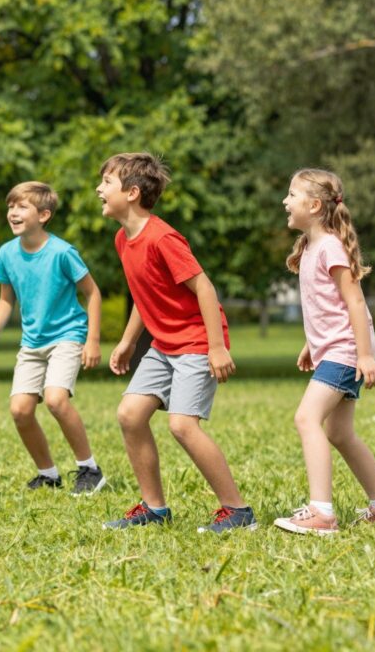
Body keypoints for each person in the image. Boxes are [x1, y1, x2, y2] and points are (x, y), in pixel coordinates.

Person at [96, 153, 256, 533]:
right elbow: (144, 295)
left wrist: (217, 347)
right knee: (130, 415)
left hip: (196, 340)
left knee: (183, 426)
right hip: (164, 344)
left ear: (132, 192)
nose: (99, 190)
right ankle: (154, 508)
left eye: (106, 183)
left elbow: (203, 287)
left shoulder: (162, 238)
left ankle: (237, 511)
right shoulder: (123, 238)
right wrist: (126, 341)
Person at [273, 169, 375, 535]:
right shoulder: (312, 246)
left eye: (291, 194)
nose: (285, 200)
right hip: (335, 347)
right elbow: (327, 307)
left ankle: (322, 513)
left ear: (314, 205)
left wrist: (364, 356)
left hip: (347, 349)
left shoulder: (330, 246)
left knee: (306, 418)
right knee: (340, 434)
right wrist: (312, 345)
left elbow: (355, 301)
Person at [0, 181, 106, 495]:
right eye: (11, 206)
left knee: (55, 400)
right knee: (20, 410)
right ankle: (48, 474)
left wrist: (92, 340)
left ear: (44, 215)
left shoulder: (62, 252)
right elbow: (6, 299)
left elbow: (93, 293)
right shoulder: (6, 253)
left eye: (22, 207)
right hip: (32, 342)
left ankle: (89, 469)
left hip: (67, 335)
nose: (13, 212)